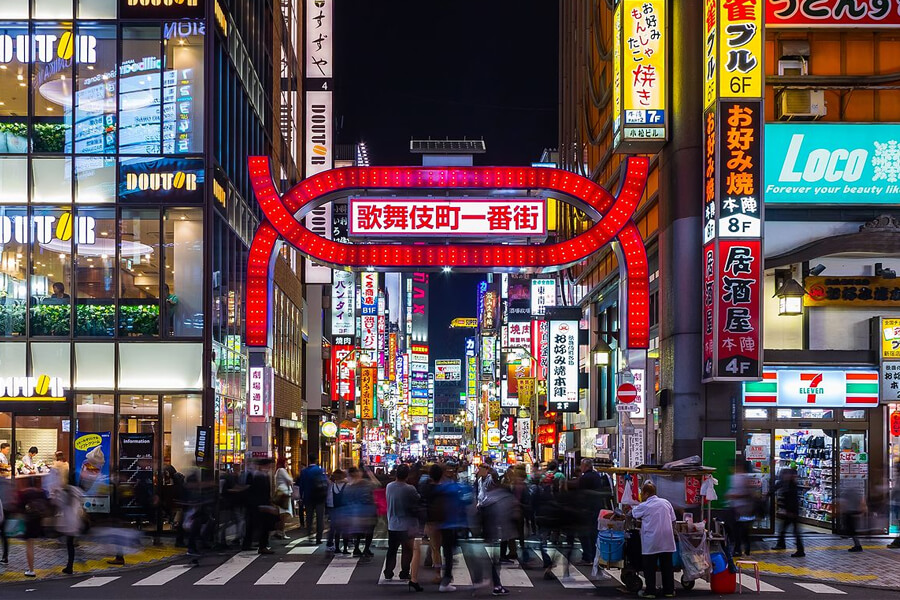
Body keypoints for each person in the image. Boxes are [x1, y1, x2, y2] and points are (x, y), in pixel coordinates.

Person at [630, 481, 676, 599]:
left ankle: (650, 591)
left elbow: (632, 514)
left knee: (649, 567)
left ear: (646, 493)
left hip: (652, 540)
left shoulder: (644, 505)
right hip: (667, 539)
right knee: (667, 566)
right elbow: (673, 521)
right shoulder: (666, 502)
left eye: (642, 493)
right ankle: (669, 591)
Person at [384, 465, 420, 584]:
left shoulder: (389, 486)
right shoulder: (410, 489)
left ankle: (388, 571)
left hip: (393, 524)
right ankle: (404, 572)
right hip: (407, 524)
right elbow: (417, 500)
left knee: (392, 550)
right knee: (407, 550)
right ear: (407, 475)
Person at [20, 480, 51, 577]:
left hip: (29, 520)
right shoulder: (41, 493)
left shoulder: (25, 493)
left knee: (29, 545)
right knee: (32, 543)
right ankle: (31, 569)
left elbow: (19, 507)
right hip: (38, 520)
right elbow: (47, 505)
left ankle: (31, 569)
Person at [773, 466, 805, 557]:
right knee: (784, 529)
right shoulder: (785, 483)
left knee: (795, 531)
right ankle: (782, 544)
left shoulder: (791, 485)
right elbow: (775, 487)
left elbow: (792, 499)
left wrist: (790, 511)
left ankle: (800, 550)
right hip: (789, 511)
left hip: (792, 512)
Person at [54, 484, 85, 574]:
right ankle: (71, 565)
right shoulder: (76, 494)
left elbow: (57, 503)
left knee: (70, 545)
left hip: (69, 524)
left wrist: (56, 492)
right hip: (76, 522)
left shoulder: (66, 497)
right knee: (71, 544)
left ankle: (72, 565)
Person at [248, 458, 277, 554]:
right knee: (262, 525)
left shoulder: (261, 475)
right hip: (260, 504)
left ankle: (259, 544)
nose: (270, 468)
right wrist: (264, 505)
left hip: (261, 504)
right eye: (268, 466)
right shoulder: (259, 476)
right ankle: (261, 545)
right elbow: (259, 492)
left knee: (260, 525)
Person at [727, 460, 756, 557]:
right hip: (738, 508)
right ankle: (742, 549)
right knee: (741, 530)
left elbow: (747, 494)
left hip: (742, 508)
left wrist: (735, 496)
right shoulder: (736, 478)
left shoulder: (742, 478)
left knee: (740, 530)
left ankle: (740, 549)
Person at [299, 454, 328, 545]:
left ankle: (309, 534)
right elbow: (325, 483)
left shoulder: (304, 471)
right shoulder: (320, 470)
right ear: (316, 460)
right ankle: (318, 537)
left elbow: (301, 485)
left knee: (309, 517)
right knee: (320, 517)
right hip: (320, 497)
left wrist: (301, 496)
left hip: (308, 497)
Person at [326, 469, 349, 553]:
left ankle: (336, 547)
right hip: (344, 509)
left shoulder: (332, 486)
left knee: (335, 528)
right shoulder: (347, 485)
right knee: (345, 528)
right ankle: (345, 548)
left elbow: (329, 499)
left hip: (334, 509)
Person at [839, 482, 865, 553]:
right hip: (856, 512)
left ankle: (857, 545)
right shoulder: (857, 493)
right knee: (853, 530)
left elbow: (843, 503)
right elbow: (862, 502)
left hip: (849, 513)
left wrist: (842, 511)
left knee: (852, 530)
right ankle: (857, 544)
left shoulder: (845, 493)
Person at [273, 457, 294, 539]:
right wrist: (288, 470)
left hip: (280, 492)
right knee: (284, 513)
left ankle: (280, 531)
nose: (286, 464)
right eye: (285, 462)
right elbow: (290, 480)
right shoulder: (282, 470)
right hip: (284, 493)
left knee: (282, 514)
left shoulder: (278, 471)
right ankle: (281, 532)